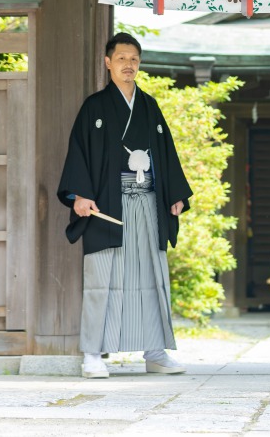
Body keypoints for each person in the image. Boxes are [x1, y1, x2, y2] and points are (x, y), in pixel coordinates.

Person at [58, 32, 193, 379]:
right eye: (121, 59)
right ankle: (92, 353)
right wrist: (80, 195)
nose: (128, 65)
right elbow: (79, 152)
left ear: (139, 64)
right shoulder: (95, 107)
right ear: (108, 63)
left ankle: (155, 351)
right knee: (103, 278)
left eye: (134, 59)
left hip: (147, 203)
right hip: (107, 205)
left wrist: (174, 194)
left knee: (151, 275)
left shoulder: (149, 106)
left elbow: (166, 154)